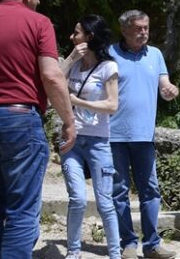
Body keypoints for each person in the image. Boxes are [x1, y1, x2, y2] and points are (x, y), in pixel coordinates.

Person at [0, 0, 76, 258]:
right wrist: (69, 121)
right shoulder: (38, 23)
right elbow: (51, 75)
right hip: (20, 120)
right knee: (22, 212)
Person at [110, 10, 179, 259]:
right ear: (124, 30)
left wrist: (170, 90)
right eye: (138, 28)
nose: (143, 32)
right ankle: (128, 242)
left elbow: (164, 85)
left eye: (146, 28)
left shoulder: (156, 55)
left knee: (150, 191)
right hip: (114, 135)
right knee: (119, 191)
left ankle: (152, 244)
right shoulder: (110, 54)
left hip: (144, 135)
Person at [59, 15, 121, 259]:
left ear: (90, 37)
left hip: (97, 142)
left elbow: (112, 105)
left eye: (77, 32)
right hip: (71, 140)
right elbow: (53, 78)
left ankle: (115, 254)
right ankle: (73, 252)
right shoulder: (73, 64)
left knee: (105, 202)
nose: (72, 37)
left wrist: (78, 101)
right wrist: (72, 56)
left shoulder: (109, 67)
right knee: (77, 199)